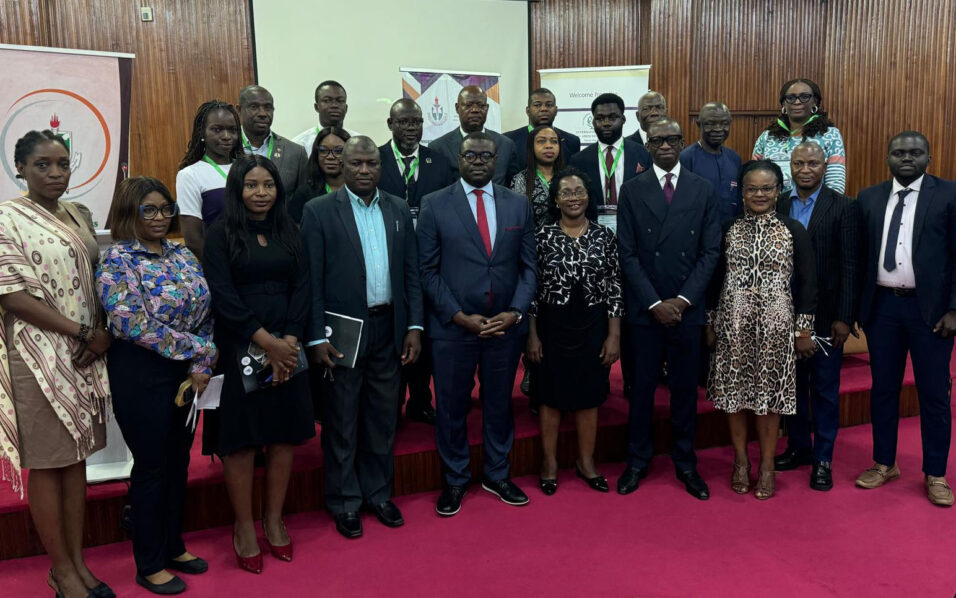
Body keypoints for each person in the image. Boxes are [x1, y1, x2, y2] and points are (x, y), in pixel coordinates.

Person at [0, 130, 113, 598]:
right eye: (42, 165)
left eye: (62, 164)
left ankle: (78, 562)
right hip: (36, 355)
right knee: (48, 463)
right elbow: (11, 295)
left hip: (85, 353)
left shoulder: (78, 213)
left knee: (76, 459)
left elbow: (97, 279)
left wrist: (99, 332)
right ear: (20, 168)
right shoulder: (6, 218)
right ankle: (61, 570)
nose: (55, 173)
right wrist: (83, 332)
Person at [97, 177, 216, 594]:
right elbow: (132, 324)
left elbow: (206, 309)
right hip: (140, 372)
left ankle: (173, 546)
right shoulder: (117, 259)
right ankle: (148, 564)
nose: (160, 217)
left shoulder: (181, 252)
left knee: (178, 461)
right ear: (129, 212)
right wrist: (199, 348)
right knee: (151, 466)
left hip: (185, 372)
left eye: (166, 209)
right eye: (149, 209)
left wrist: (202, 359)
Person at [301, 136, 424, 538]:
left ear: (381, 166)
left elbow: (411, 274)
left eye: (372, 163)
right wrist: (315, 337)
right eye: (356, 163)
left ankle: (377, 493)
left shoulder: (398, 207)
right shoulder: (319, 211)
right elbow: (311, 280)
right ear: (342, 165)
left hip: (389, 326)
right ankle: (344, 501)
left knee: (383, 417)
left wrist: (414, 326)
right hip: (342, 330)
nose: (365, 170)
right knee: (341, 419)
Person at [202, 155, 314, 573]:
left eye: (268, 185)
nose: (261, 193)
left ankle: (274, 519)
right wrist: (267, 342)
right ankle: (244, 526)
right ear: (238, 189)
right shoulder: (220, 234)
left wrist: (290, 340)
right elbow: (222, 294)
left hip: (288, 343)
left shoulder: (290, 230)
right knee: (242, 441)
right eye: (252, 185)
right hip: (240, 345)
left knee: (283, 435)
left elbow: (303, 286)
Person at [418, 132, 537, 516]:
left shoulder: (518, 204)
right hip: (453, 328)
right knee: (452, 407)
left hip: (505, 327)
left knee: (499, 404)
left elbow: (529, 268)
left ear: (496, 160)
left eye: (487, 155)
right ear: (459, 159)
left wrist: (515, 312)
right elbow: (427, 270)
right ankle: (455, 479)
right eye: (472, 155)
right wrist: (458, 316)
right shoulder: (434, 204)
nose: (480, 161)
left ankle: (497, 474)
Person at [616, 119, 721, 501]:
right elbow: (626, 253)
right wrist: (655, 302)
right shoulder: (632, 189)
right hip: (646, 310)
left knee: (685, 391)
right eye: (657, 140)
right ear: (647, 144)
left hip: (686, 309)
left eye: (671, 139)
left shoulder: (703, 188)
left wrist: (682, 300)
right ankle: (637, 460)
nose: (664, 145)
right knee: (641, 390)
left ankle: (686, 462)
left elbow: (710, 251)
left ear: (681, 142)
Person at [855, 131, 956, 507]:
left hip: (931, 312)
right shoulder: (869, 197)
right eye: (899, 152)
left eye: (915, 152)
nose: (907, 158)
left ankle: (936, 473)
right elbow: (860, 256)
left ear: (929, 158)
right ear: (888, 158)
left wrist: (954, 309)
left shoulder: (949, 194)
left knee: (934, 393)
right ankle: (884, 463)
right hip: (883, 308)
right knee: (883, 389)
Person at [706, 160, 817, 500]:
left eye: (766, 188)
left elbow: (808, 283)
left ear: (778, 191)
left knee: (770, 399)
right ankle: (741, 461)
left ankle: (767, 465)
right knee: (734, 396)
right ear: (742, 192)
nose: (759, 194)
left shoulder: (792, 229)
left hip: (776, 327)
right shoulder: (728, 228)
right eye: (752, 188)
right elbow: (714, 278)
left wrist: (803, 331)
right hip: (733, 324)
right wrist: (710, 323)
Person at [525, 167, 623, 495]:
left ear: (588, 196)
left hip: (593, 325)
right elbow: (532, 290)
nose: (573, 198)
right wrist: (531, 334)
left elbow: (615, 287)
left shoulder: (604, 236)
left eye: (579, 191)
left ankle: (586, 461)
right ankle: (550, 462)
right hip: (551, 326)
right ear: (555, 199)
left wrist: (614, 335)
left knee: (589, 396)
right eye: (565, 193)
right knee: (549, 396)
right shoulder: (541, 236)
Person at [772, 142, 861, 491]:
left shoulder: (844, 207)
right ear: (790, 167)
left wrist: (845, 317)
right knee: (791, 387)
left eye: (812, 163)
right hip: (783, 313)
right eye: (799, 163)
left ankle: (823, 458)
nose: (805, 170)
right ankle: (799, 447)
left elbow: (851, 265)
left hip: (826, 317)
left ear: (825, 167)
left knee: (824, 389)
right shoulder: (779, 203)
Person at [377, 99, 454, 426]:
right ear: (390, 124)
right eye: (404, 122)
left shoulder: (439, 160)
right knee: (395, 334)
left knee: (425, 332)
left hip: (430, 260)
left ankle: (421, 400)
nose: (411, 128)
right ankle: (392, 403)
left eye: (417, 122)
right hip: (387, 260)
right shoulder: (375, 159)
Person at [568, 93, 651, 227]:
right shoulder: (578, 160)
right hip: (593, 229)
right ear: (593, 122)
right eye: (600, 118)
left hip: (635, 227)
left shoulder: (643, 154)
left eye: (612, 117)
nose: (606, 123)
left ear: (623, 119)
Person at [752, 78, 846, 193]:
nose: (797, 102)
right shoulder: (767, 137)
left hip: (815, 203)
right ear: (783, 103)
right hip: (774, 203)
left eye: (804, 97)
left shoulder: (830, 135)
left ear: (814, 102)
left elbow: (835, 185)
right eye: (791, 98)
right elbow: (754, 177)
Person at [177, 99, 243, 262]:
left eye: (232, 130)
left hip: (256, 261)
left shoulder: (248, 169)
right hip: (221, 264)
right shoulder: (190, 175)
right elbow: (193, 239)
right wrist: (218, 269)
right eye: (217, 129)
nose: (226, 136)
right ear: (202, 132)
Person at [428, 85, 520, 186]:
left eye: (481, 105)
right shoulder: (438, 148)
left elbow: (512, 187)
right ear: (457, 108)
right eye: (468, 105)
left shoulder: (506, 145)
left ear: (487, 108)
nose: (475, 110)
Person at [680, 102, 743, 222]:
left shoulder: (734, 158)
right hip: (698, 228)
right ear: (699, 125)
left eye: (724, 123)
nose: (718, 129)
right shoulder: (686, 158)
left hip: (730, 228)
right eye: (710, 124)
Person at [238, 85, 308, 193]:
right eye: (254, 107)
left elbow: (304, 197)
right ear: (239, 110)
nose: (262, 113)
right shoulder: (227, 148)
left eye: (268, 107)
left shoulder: (296, 153)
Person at [504, 88, 581, 171]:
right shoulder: (509, 140)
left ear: (556, 111)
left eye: (549, 105)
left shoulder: (572, 141)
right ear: (528, 111)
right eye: (537, 105)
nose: (544, 109)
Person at [509, 124, 567, 230]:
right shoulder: (520, 180)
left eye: (554, 141)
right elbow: (518, 219)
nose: (549, 146)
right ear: (531, 147)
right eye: (541, 141)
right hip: (533, 238)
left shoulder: (569, 178)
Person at [288, 127, 350, 223]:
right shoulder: (304, 194)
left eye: (338, 151)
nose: (330, 157)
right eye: (323, 150)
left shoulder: (359, 191)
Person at [292, 80, 358, 157]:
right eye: (327, 100)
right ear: (316, 107)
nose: (334, 105)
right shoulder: (300, 145)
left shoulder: (359, 143)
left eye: (340, 101)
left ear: (346, 108)